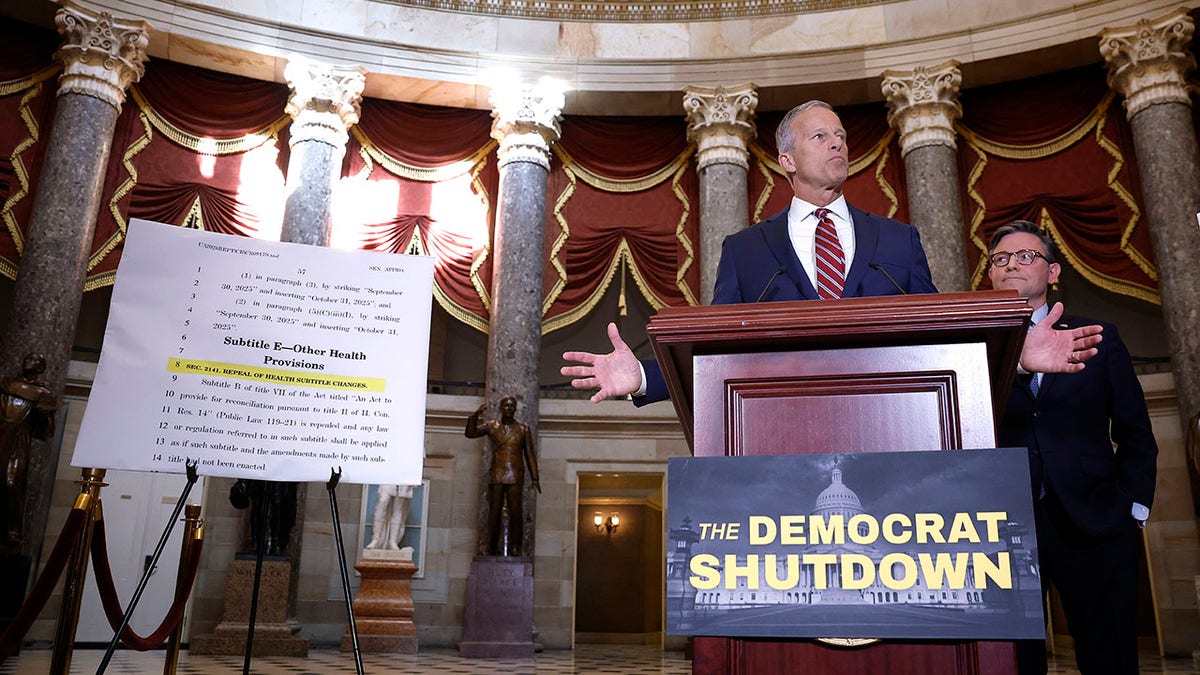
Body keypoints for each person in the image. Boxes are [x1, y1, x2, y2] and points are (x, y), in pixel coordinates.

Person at [561, 100, 1102, 402]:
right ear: (788, 160)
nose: (838, 143)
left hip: (897, 423)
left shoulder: (898, 239)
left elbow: (943, 338)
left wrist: (1016, 361)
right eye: (820, 137)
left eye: (841, 135)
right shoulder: (745, 251)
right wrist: (646, 379)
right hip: (780, 432)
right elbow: (720, 347)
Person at [987, 220, 1157, 675]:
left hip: (1096, 520)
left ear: (1053, 271)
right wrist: (1018, 366)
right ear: (990, 275)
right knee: (1011, 661)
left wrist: (1134, 505)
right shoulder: (976, 346)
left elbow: (1136, 430)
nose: (1012, 265)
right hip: (1006, 529)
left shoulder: (1100, 335)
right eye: (1001, 259)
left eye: (1026, 256)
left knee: (1110, 656)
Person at [465, 396, 540, 556]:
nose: (509, 409)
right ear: (500, 408)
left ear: (515, 409)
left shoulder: (522, 429)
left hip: (515, 474)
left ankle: (515, 547)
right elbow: (470, 434)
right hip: (497, 474)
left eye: (512, 406)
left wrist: (535, 477)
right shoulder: (492, 426)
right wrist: (475, 416)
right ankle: (491, 547)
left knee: (516, 513)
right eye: (506, 406)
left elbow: (530, 454)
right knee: (494, 512)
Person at [0, 354, 57, 546]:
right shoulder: (6, 383)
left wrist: (47, 415)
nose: (27, 361)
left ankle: (12, 529)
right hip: (2, 432)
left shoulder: (42, 394)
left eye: (33, 360)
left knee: (11, 482)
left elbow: (46, 432)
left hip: (18, 439)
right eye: (26, 358)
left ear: (40, 367)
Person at [365, 483, 416, 551]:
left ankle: (393, 541)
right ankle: (376, 539)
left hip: (403, 480)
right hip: (389, 478)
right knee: (382, 502)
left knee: (398, 509)